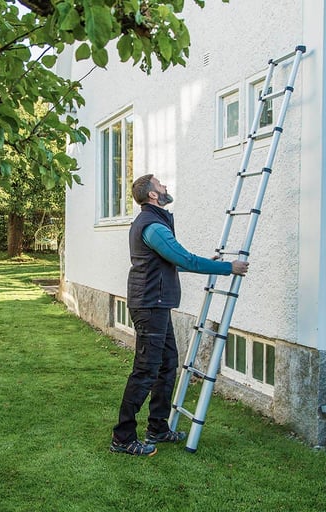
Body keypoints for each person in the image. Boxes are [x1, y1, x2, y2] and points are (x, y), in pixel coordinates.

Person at [110, 174, 249, 456]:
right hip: (150, 305)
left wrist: (209, 264)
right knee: (146, 370)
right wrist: (228, 268)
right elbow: (185, 259)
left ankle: (157, 428)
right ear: (152, 195)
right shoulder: (153, 226)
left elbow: (174, 262)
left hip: (156, 304)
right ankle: (123, 437)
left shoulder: (155, 222)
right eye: (160, 185)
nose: (165, 187)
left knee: (167, 364)